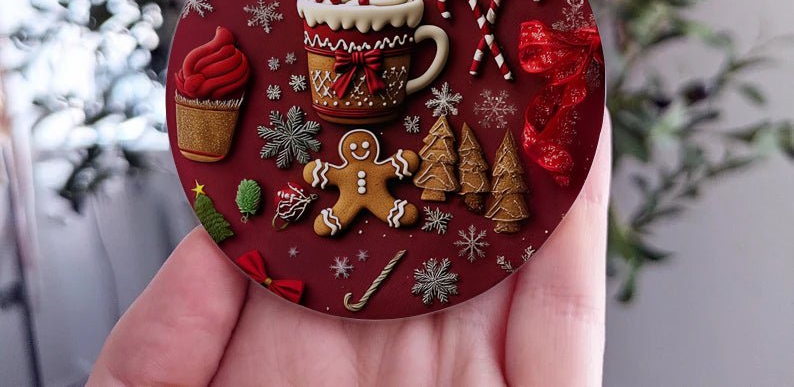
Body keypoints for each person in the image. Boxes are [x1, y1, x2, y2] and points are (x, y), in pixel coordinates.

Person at [88, 114, 610, 387]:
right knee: (340, 213)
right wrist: (318, 173)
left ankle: (385, 214)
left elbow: (396, 165)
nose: (360, 150)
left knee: (386, 207)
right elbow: (330, 172)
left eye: (366, 146)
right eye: (353, 146)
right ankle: (339, 217)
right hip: (345, 209)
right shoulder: (340, 166)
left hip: (381, 203)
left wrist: (403, 165)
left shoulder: (377, 166)